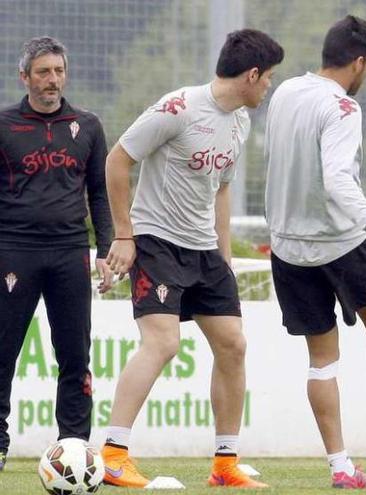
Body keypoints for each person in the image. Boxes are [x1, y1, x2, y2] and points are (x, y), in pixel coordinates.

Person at [100, 29, 283, 488]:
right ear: (252, 74)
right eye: (268, 79)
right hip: (157, 241)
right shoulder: (178, 107)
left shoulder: (240, 120)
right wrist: (125, 234)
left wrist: (223, 257)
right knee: (162, 343)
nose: (268, 88)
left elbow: (219, 188)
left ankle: (224, 465)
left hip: (204, 250)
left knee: (233, 345)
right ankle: (112, 453)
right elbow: (117, 161)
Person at [264, 15, 366, 490]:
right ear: (359, 63)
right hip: (342, 241)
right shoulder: (343, 109)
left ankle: (340, 468)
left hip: (288, 247)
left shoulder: (285, 93)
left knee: (321, 360)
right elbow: (337, 179)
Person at [0, 36, 113, 473]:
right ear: (24, 76)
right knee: (3, 351)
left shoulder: (88, 125)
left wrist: (106, 249)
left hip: (70, 253)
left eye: (59, 71)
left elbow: (100, 194)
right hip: (13, 251)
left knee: (74, 354)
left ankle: (75, 448)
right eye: (43, 72)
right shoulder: (5, 124)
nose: (52, 80)